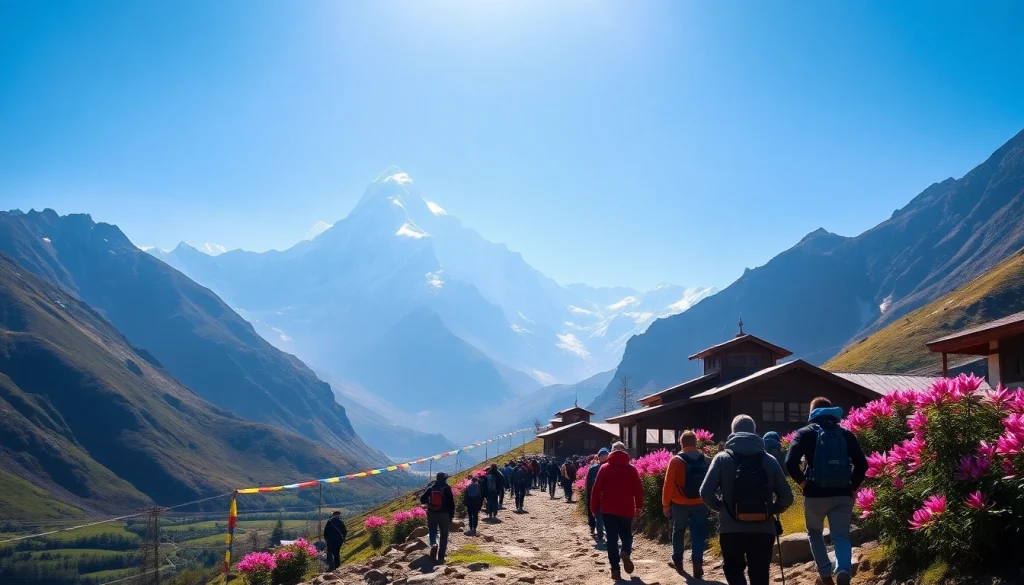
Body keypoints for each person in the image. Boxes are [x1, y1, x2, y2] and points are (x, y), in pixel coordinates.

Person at [700, 415, 793, 585]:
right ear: (754, 431)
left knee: (733, 570)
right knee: (760, 574)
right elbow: (787, 497)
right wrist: (772, 510)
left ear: (733, 432)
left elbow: (705, 492)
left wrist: (720, 507)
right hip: (763, 529)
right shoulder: (769, 461)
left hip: (730, 528)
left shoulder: (722, 459)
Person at [785, 397, 868, 585]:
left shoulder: (804, 433)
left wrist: (803, 482)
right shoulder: (845, 434)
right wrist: (853, 487)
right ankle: (844, 570)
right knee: (841, 536)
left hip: (815, 494)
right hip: (842, 494)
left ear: (812, 413)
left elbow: (790, 462)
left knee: (814, 533)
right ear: (832, 411)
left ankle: (825, 576)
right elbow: (862, 464)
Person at [590, 442, 643, 581]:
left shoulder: (604, 468)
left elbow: (596, 489)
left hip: (608, 509)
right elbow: (638, 489)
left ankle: (615, 570)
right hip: (626, 508)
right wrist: (639, 506)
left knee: (612, 539)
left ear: (611, 452)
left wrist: (593, 507)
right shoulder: (632, 469)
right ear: (625, 451)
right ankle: (625, 552)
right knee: (626, 535)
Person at [663, 430, 710, 578]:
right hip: (700, 502)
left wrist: (665, 504)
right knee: (698, 532)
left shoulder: (676, 460)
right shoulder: (705, 460)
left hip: (679, 503)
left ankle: (678, 560)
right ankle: (697, 561)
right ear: (696, 442)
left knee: (678, 530)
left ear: (681, 443)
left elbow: (668, 484)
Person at [419, 472, 456, 564]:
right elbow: (451, 504)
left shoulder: (431, 488)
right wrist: (451, 516)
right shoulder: (447, 488)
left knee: (432, 531)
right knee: (444, 534)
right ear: (444, 479)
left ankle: (434, 545)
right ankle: (441, 557)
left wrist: (430, 504)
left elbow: (422, 499)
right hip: (444, 514)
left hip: (432, 513)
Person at [586, 448, 609, 543]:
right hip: (597, 496)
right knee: (599, 517)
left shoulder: (610, 468)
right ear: (598, 458)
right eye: (602, 456)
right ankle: (600, 534)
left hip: (608, 497)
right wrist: (590, 495)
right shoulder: (593, 469)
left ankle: (607, 534)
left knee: (607, 518)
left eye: (606, 456)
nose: (604, 458)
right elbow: (588, 485)